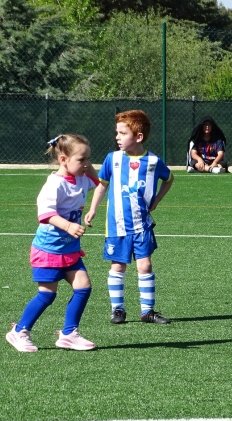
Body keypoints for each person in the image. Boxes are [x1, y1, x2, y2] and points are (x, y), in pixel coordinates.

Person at [6, 133, 99, 352]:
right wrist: (68, 226)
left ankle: (69, 334)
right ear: (63, 160)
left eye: (88, 159)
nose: (86, 164)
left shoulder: (81, 179)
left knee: (83, 287)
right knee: (47, 294)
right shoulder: (54, 184)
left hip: (70, 250)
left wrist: (85, 160)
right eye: (81, 160)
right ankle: (19, 331)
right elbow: (46, 214)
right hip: (49, 250)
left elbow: (99, 181)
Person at [85, 110, 174, 324]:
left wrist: (157, 201)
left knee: (145, 266)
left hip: (142, 225)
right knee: (118, 266)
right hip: (117, 226)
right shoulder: (112, 159)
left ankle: (147, 311)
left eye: (122, 133)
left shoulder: (153, 161)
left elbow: (169, 179)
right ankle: (118, 310)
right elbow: (101, 185)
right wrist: (93, 208)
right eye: (117, 132)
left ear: (138, 137)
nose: (117, 137)